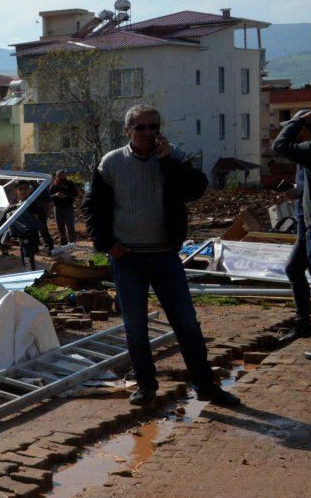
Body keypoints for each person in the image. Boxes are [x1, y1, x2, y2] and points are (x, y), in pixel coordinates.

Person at [82, 104, 241, 406]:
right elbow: (92, 207)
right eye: (140, 128)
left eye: (153, 127)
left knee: (187, 324)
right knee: (135, 326)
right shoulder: (111, 163)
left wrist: (168, 163)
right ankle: (146, 385)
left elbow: (195, 189)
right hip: (128, 258)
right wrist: (106, 243)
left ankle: (205, 385)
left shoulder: (174, 158)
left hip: (165, 255)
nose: (148, 134)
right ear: (127, 131)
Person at [270, 109, 311, 344]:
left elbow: (279, 145)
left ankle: (303, 324)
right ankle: (303, 324)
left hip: (310, 225)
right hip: (304, 222)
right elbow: (306, 188)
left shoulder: (308, 150)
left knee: (297, 269)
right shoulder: (303, 157)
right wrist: (295, 192)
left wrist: (298, 121)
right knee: (294, 269)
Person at [17, 182, 55, 253]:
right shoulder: (31, 189)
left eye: (25, 189)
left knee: (42, 230)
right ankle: (36, 246)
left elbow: (48, 200)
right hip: (33, 213)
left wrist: (47, 212)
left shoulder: (41, 188)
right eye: (21, 189)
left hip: (39, 212)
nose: (23, 191)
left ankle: (50, 244)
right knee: (34, 231)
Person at [48, 170, 79, 244]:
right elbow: (49, 197)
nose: (63, 177)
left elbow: (75, 193)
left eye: (64, 175)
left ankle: (73, 241)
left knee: (70, 225)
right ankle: (63, 241)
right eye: (61, 175)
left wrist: (66, 195)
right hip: (58, 208)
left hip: (68, 207)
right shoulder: (54, 186)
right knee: (60, 226)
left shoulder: (70, 184)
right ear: (57, 176)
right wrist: (56, 195)